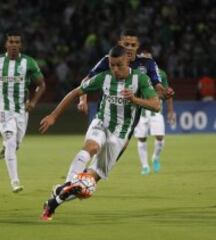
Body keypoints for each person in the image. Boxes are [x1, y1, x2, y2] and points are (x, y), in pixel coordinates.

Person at [39, 45, 160, 221]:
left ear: (127, 60)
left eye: (119, 65)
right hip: (101, 123)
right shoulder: (103, 78)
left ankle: (54, 201)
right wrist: (53, 116)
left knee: (87, 185)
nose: (115, 69)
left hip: (119, 135)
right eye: (112, 65)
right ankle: (68, 184)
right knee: (91, 147)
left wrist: (135, 99)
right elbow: (75, 92)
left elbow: (156, 105)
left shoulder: (140, 80)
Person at [63, 29, 174, 182]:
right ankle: (78, 181)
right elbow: (87, 80)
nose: (129, 47)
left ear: (138, 46)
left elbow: (158, 87)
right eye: (126, 44)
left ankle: (86, 178)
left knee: (114, 153)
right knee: (96, 146)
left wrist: (165, 92)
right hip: (108, 112)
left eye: (132, 44)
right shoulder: (108, 60)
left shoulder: (147, 64)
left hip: (130, 116)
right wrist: (83, 99)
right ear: (120, 44)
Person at [0, 30, 46, 193]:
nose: (14, 45)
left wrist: (33, 102)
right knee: (11, 141)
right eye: (11, 42)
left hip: (21, 110)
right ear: (5, 44)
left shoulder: (29, 62)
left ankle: (5, 145)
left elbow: (42, 85)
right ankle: (15, 181)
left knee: (16, 143)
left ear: (20, 45)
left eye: (17, 42)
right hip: (2, 109)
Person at [134, 45, 176, 175]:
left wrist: (170, 111)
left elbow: (167, 94)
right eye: (143, 56)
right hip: (140, 111)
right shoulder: (134, 71)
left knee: (160, 137)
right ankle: (145, 166)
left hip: (156, 111)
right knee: (141, 138)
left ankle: (156, 158)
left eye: (148, 57)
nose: (146, 59)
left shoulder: (161, 74)